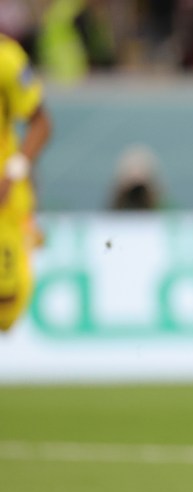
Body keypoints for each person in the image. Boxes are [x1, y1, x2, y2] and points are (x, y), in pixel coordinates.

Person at [0, 33, 52, 332]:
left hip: (3, 203)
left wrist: (13, 171)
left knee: (6, 310)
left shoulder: (6, 58)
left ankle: (25, 231)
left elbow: (41, 122)